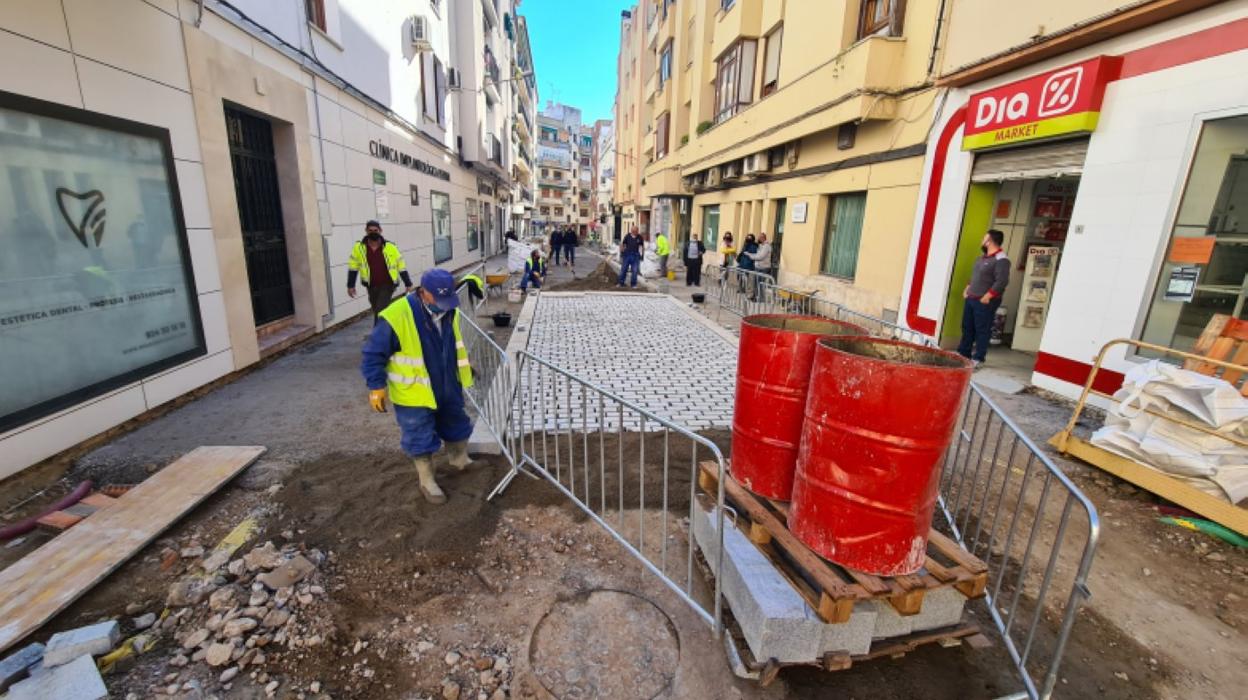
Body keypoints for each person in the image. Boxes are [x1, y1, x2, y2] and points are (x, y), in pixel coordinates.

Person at [361, 269, 476, 505]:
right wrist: (376, 386)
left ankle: (459, 459)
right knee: (419, 434)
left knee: (456, 422)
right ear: (424, 293)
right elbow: (373, 353)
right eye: (439, 300)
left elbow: (451, 343)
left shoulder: (447, 309)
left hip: (446, 384)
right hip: (415, 391)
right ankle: (427, 479)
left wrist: (465, 366)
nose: (444, 306)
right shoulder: (396, 315)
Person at [957, 229, 1011, 369]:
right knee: (967, 326)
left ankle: (978, 357)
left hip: (985, 301)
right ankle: (964, 353)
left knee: (982, 329)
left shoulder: (1001, 259)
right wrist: (967, 288)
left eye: (984, 238)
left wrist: (988, 296)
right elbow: (975, 276)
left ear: (990, 241)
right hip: (971, 298)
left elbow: (1002, 281)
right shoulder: (982, 258)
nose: (982, 240)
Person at [347, 221, 414, 322]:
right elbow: (353, 267)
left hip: (387, 284)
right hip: (371, 286)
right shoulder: (359, 248)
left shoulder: (390, 247)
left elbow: (401, 266)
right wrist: (350, 285)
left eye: (376, 230)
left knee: (380, 312)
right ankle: (389, 331)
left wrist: (408, 283)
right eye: (370, 230)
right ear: (366, 231)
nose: (373, 232)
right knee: (377, 310)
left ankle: (378, 336)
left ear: (380, 231)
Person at [745, 233, 774, 301]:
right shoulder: (761, 246)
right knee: (756, 283)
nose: (758, 239)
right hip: (758, 267)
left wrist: (750, 256)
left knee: (761, 284)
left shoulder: (766, 246)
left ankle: (760, 298)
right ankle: (755, 297)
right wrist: (749, 254)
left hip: (764, 268)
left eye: (759, 238)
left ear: (763, 238)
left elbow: (760, 257)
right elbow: (757, 254)